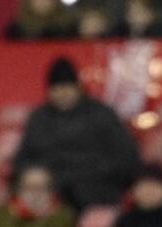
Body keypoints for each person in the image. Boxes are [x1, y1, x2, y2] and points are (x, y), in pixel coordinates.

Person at [13, 57, 140, 209]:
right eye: (57, 88)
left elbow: (126, 157)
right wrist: (34, 175)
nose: (62, 93)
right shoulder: (39, 118)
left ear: (78, 87)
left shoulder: (101, 114)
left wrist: (89, 172)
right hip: (51, 188)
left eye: (67, 87)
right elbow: (23, 158)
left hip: (96, 187)